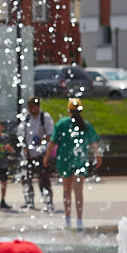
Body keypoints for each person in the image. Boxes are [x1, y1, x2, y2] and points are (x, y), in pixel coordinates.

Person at [44, 98, 100, 232]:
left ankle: (68, 217)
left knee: (67, 189)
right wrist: (98, 155)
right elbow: (93, 144)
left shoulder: (63, 123)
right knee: (78, 189)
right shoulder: (85, 125)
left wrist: (46, 156)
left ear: (69, 111)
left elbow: (53, 142)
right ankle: (79, 219)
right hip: (79, 159)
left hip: (65, 160)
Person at [19, 97, 55, 211]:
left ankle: (48, 202)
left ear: (38, 106)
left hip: (42, 153)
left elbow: (51, 134)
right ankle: (29, 201)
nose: (32, 109)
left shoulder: (45, 118)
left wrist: (41, 139)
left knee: (44, 179)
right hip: (28, 154)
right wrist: (25, 148)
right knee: (26, 178)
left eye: (34, 107)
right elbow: (21, 136)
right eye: (30, 107)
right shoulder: (26, 119)